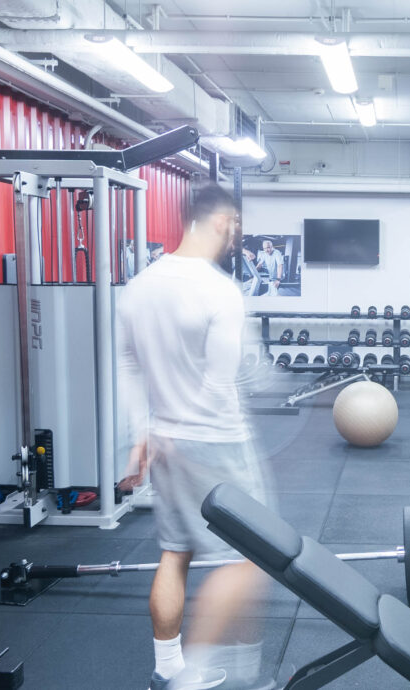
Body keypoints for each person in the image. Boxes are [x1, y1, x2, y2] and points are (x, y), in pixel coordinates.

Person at [117, 183, 276, 690]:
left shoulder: (139, 286)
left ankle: (168, 671)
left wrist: (142, 432)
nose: (235, 236)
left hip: (164, 440)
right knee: (251, 559)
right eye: (234, 225)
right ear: (221, 221)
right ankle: (203, 670)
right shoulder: (219, 289)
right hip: (216, 441)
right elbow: (221, 378)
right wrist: (267, 377)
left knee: (176, 553)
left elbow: (127, 363)